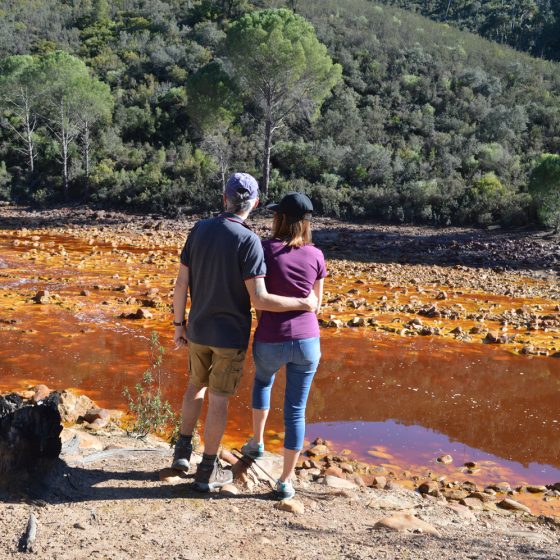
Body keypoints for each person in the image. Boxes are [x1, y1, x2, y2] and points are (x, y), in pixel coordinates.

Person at [171, 173, 318, 492]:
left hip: (197, 329)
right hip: (230, 336)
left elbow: (181, 283)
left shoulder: (199, 229)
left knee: (195, 385)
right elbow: (260, 299)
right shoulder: (249, 241)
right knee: (220, 400)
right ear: (255, 204)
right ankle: (207, 469)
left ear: (224, 198)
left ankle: (181, 452)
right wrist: (305, 303)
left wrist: (178, 325)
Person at [241, 192, 326, 500]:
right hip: (307, 342)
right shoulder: (316, 255)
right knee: (296, 409)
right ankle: (285, 481)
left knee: (263, 381)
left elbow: (259, 300)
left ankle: (257, 443)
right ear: (305, 223)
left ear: (279, 218)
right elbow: (316, 304)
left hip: (270, 336)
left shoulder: (264, 250)